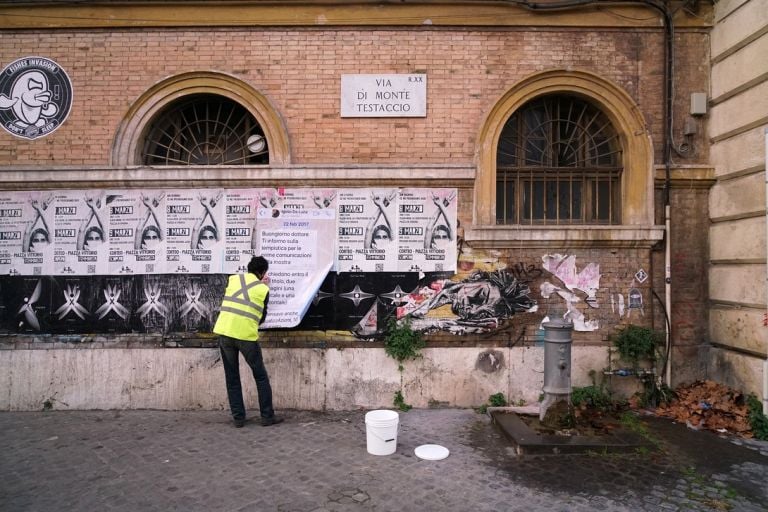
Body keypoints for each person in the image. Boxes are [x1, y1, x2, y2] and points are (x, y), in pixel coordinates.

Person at [213, 255, 283, 428]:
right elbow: (261, 318)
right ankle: (267, 416)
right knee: (260, 376)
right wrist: (264, 286)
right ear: (262, 272)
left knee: (232, 377)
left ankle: (238, 419)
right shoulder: (263, 290)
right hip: (246, 337)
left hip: (225, 333)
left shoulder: (234, 279)